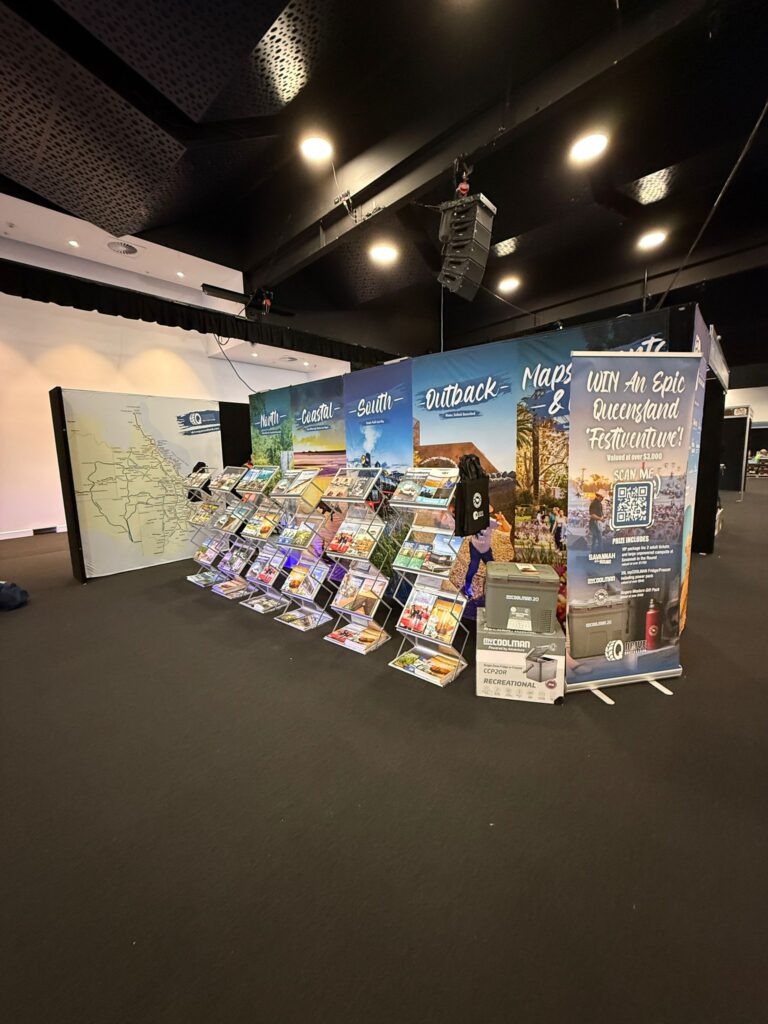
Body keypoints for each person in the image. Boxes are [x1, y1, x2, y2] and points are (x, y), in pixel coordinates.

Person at [463, 505, 512, 596]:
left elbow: (507, 529)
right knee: (473, 568)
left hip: (486, 550)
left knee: (492, 567)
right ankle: (467, 585)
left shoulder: (489, 521)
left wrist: (503, 520)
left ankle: (496, 586)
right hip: (475, 549)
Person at [588, 489, 606, 554]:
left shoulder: (599, 504)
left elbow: (600, 513)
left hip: (597, 523)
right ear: (598, 496)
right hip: (594, 523)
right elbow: (592, 515)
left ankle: (593, 553)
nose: (602, 498)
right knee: (599, 539)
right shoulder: (594, 503)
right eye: (601, 497)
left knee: (595, 539)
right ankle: (600, 553)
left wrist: (602, 517)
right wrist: (600, 519)